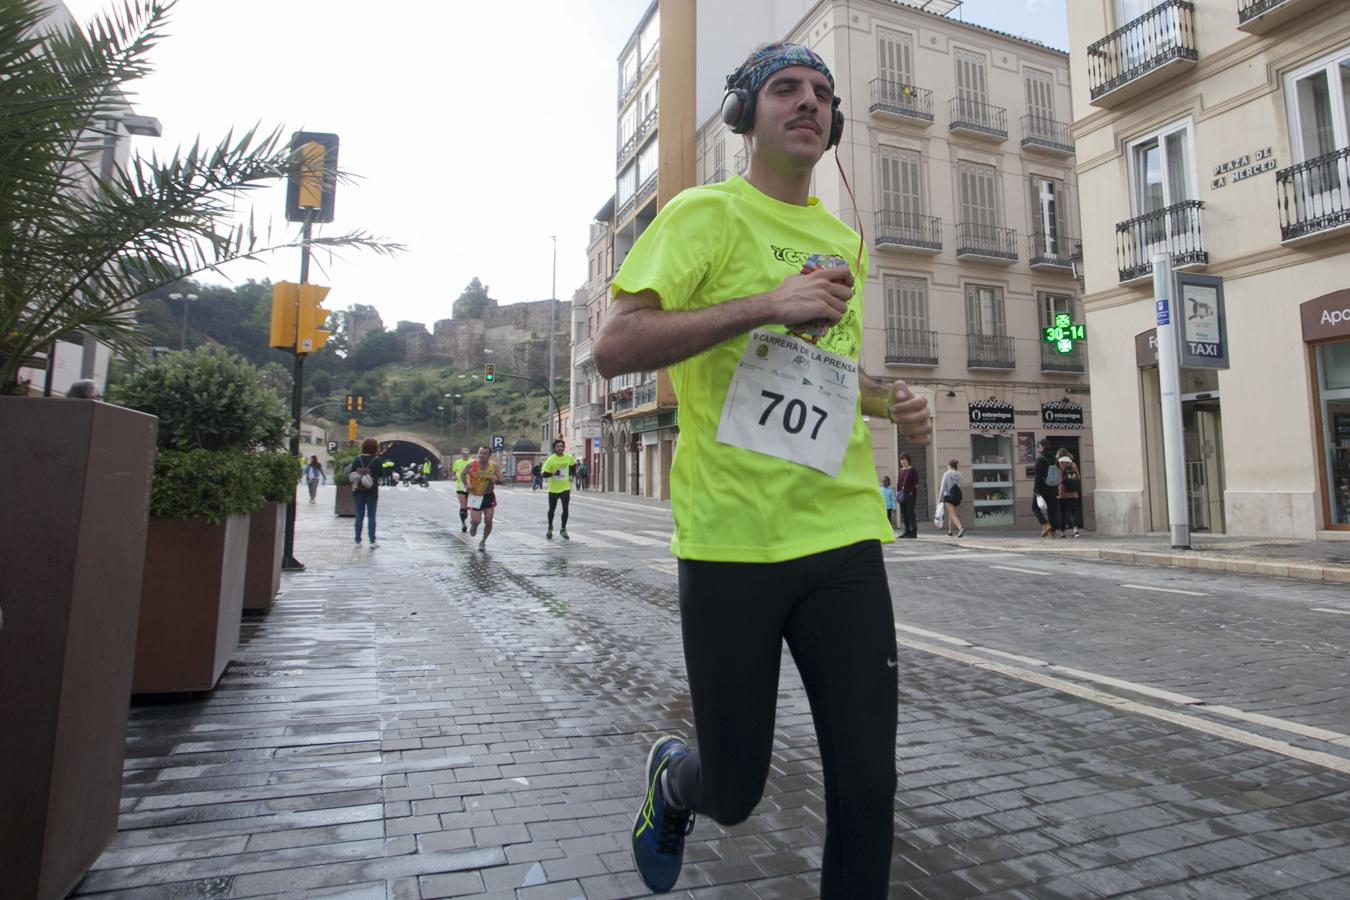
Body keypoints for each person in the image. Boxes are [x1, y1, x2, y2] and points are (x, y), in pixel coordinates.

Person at [592, 42, 932, 898]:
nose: (808, 102)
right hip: (732, 544)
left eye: (822, 93)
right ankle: (676, 780)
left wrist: (890, 402)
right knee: (737, 791)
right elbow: (616, 345)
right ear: (747, 115)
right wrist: (765, 303)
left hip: (842, 535)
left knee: (868, 785)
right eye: (786, 89)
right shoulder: (707, 215)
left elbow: (813, 373)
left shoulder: (836, 238)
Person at [346, 438, 383, 548]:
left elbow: (351, 472)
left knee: (359, 515)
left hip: (358, 489)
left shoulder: (357, 459)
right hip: (372, 490)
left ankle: (357, 541)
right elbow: (381, 475)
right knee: (371, 516)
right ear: (375, 448)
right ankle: (372, 541)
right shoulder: (378, 460)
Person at [463, 446, 500, 551]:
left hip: (489, 496)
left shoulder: (494, 466)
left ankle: (483, 541)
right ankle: (473, 525)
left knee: (488, 520)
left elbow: (501, 479)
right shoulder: (472, 465)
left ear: (489, 456)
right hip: (475, 495)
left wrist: (496, 479)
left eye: (484, 453)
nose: (481, 455)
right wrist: (466, 484)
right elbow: (462, 474)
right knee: (476, 520)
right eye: (480, 453)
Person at [541, 438, 576, 540]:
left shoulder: (569, 457)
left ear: (564, 448)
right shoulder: (551, 460)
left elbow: (573, 466)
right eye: (558, 446)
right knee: (552, 509)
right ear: (554, 448)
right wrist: (553, 473)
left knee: (565, 508)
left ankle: (563, 529)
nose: (560, 448)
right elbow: (544, 474)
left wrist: (571, 475)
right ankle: (550, 527)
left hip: (565, 487)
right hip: (553, 489)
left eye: (561, 446)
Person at [1033, 438, 1061, 538]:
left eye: (1039, 447)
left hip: (1042, 489)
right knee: (1052, 511)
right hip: (1053, 488)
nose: (1038, 449)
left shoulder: (1041, 459)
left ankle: (1045, 524)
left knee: (1035, 507)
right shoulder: (1055, 459)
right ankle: (1052, 533)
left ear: (1042, 447)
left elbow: (1037, 476)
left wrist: (1036, 490)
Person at [1057, 449, 1083, 538]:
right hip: (1073, 492)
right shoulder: (1073, 464)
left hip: (1062, 492)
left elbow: (1058, 478)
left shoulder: (1058, 464)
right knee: (1074, 512)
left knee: (1062, 512)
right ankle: (1075, 531)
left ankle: (1062, 532)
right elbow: (1078, 478)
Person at [938, 459, 965, 538]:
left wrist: (939, 498)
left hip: (948, 496)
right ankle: (950, 532)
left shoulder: (946, 474)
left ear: (949, 466)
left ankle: (960, 528)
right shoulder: (959, 474)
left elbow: (943, 487)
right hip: (956, 496)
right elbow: (959, 485)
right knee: (951, 513)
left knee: (952, 514)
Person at [897, 452, 919, 539]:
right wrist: (898, 492)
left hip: (910, 495)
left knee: (910, 513)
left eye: (904, 459)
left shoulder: (912, 470)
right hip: (902, 495)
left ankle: (913, 532)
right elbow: (899, 482)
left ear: (908, 460)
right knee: (904, 513)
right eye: (901, 459)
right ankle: (906, 531)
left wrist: (910, 491)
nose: (903, 461)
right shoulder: (901, 471)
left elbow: (916, 483)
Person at [452, 448, 473, 532]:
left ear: (469, 454)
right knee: (463, 507)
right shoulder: (457, 462)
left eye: (467, 453)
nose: (465, 455)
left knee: (470, 507)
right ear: (461, 454)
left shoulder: (473, 462)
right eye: (463, 453)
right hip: (460, 486)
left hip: (471, 487)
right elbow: (454, 473)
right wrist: (454, 477)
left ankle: (472, 521)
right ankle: (463, 524)